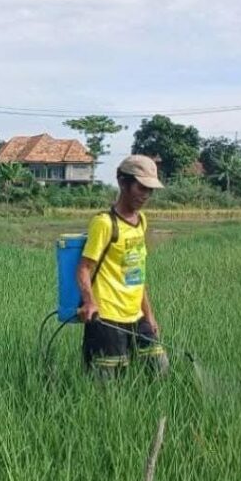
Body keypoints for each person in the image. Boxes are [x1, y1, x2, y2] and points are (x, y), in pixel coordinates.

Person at [76, 155, 169, 380]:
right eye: (141, 187)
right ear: (123, 183)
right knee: (109, 383)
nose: (146, 195)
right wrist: (89, 302)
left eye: (150, 190)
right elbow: (84, 268)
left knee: (160, 368)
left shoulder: (142, 221)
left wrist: (150, 316)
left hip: (136, 316)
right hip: (107, 317)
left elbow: (138, 275)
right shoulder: (105, 223)